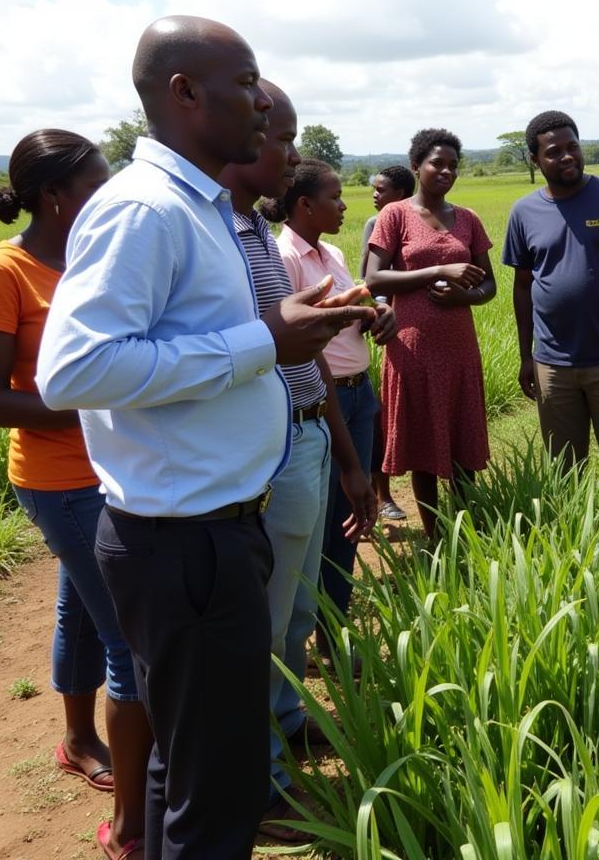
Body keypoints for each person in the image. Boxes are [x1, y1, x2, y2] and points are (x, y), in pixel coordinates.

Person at [36, 16, 374, 860]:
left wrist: (280, 328)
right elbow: (73, 370)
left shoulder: (201, 206)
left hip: (209, 532)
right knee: (218, 796)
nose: (263, 101)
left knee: (186, 773)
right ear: (184, 93)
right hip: (182, 544)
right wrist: (262, 342)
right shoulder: (145, 210)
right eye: (246, 83)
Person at [218, 87, 379, 840]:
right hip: (273, 447)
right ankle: (264, 781)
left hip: (311, 433)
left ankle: (286, 722)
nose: (285, 152)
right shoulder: (212, 229)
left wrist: (349, 458)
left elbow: (302, 358)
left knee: (301, 605)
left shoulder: (248, 226)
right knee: (270, 616)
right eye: (275, 136)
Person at [0, 130, 150, 860]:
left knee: (80, 611)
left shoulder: (93, 260)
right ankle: (132, 809)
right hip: (59, 480)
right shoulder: (10, 270)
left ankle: (76, 736)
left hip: (112, 467)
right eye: (96, 183)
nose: (110, 194)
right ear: (56, 198)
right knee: (127, 632)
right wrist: (97, 395)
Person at [264, 158, 396, 661]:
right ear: (304, 205)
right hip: (325, 396)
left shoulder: (332, 250)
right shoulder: (285, 258)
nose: (344, 206)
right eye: (335, 197)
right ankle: (326, 643)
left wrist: (379, 314)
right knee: (326, 524)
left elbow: (354, 305)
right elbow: (302, 333)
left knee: (349, 519)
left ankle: (333, 635)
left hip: (358, 390)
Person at [365, 128, 495, 537]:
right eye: (438, 163)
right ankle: (435, 535)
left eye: (454, 165)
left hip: (458, 347)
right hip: (412, 348)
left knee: (461, 438)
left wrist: (464, 296)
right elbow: (373, 277)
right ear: (416, 166)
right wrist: (438, 271)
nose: (447, 171)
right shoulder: (395, 215)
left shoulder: (468, 219)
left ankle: (464, 529)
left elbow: (488, 285)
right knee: (422, 439)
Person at [503, 110, 599, 481]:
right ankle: (578, 537)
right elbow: (522, 286)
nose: (567, 156)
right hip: (552, 363)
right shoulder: (524, 211)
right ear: (535, 159)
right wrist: (525, 356)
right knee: (565, 472)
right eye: (554, 151)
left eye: (573, 147)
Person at [360, 164, 414, 522]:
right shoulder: (374, 223)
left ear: (402, 194)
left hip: (419, 328)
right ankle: (383, 496)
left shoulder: (423, 218)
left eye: (382, 190)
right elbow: (369, 280)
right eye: (375, 189)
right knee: (382, 415)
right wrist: (380, 310)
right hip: (388, 328)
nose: (374, 196)